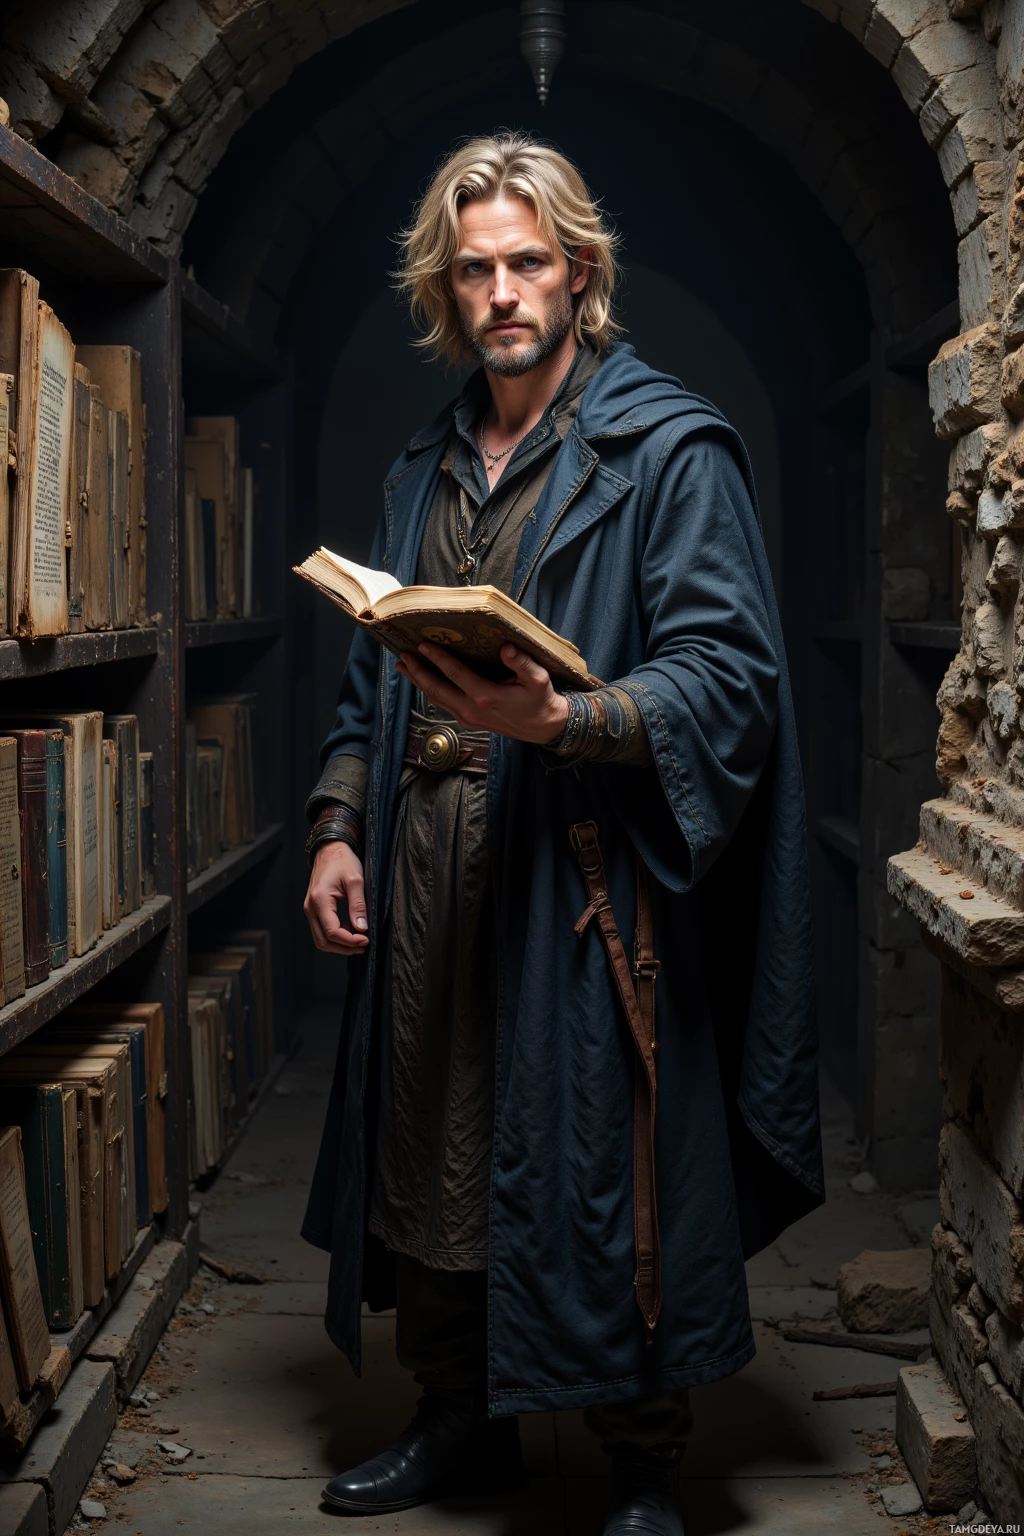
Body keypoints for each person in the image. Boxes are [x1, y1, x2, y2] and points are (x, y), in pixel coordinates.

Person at [301, 131, 823, 1536]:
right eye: (474, 270)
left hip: (583, 882)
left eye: (529, 262)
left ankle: (645, 1462)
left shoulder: (668, 448)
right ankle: (456, 1424)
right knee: (432, 1148)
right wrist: (340, 822)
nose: (502, 292)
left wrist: (568, 727)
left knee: (604, 1161)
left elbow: (730, 677)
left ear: (580, 272)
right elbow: (370, 676)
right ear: (445, 289)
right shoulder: (423, 468)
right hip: (426, 871)